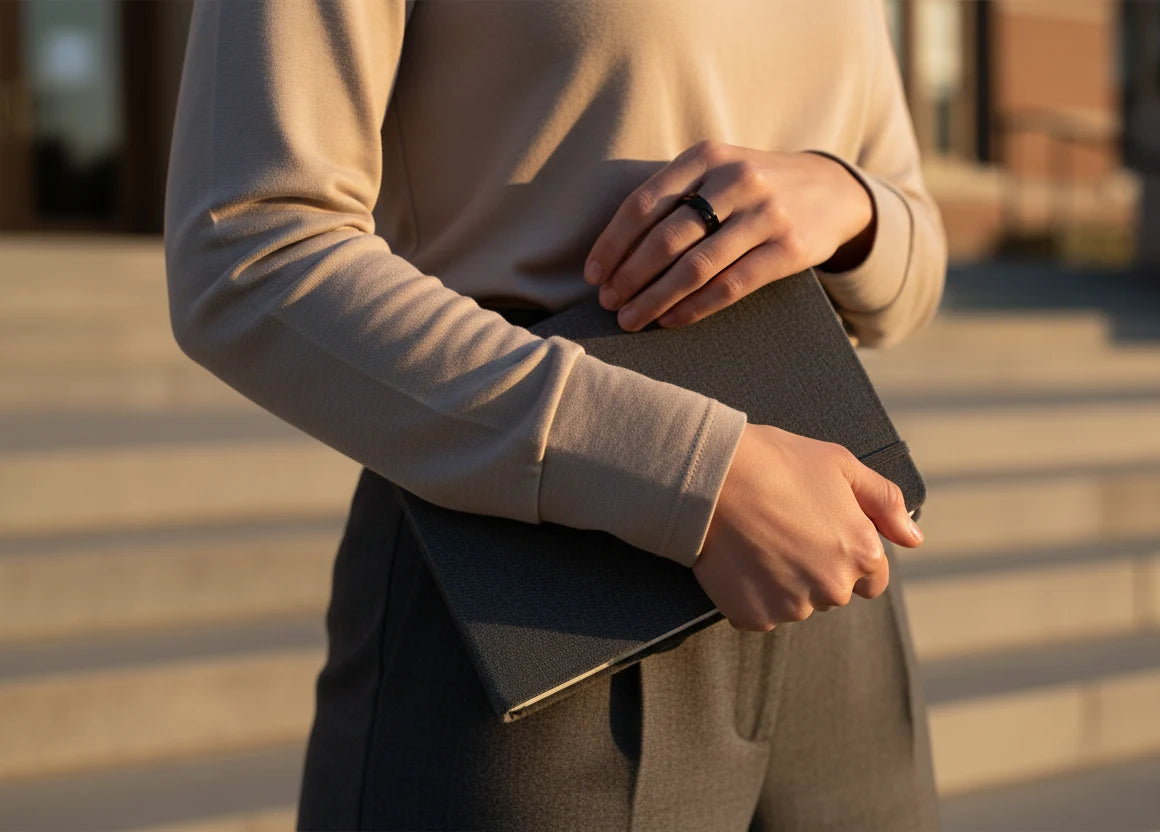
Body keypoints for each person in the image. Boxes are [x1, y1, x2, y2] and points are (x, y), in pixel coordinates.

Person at [164, 0, 947, 829]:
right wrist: (691, 472)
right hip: (536, 596)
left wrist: (849, 201)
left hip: (834, 575)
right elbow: (245, 247)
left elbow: (914, 261)